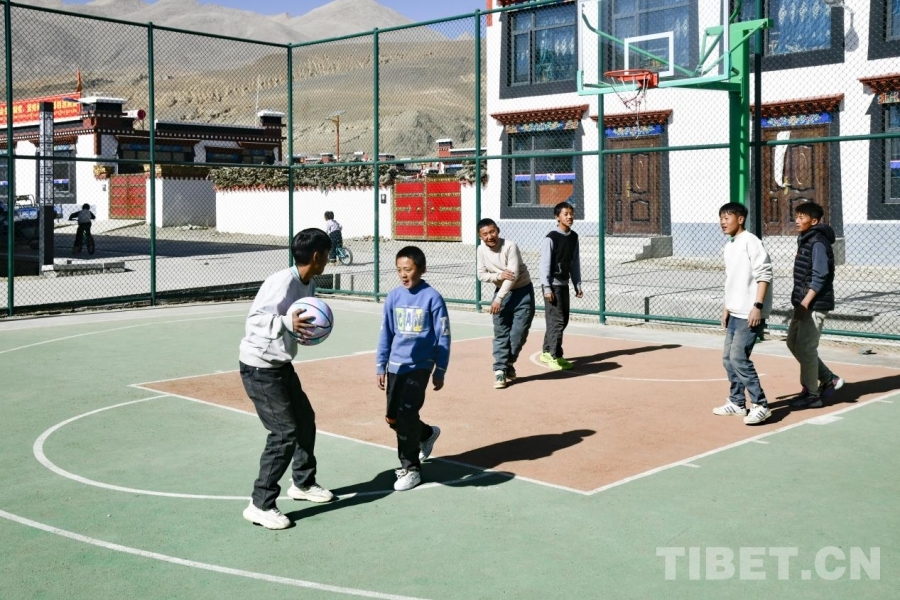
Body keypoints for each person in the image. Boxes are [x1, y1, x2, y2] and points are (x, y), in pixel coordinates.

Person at [239, 228, 335, 530]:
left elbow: (296, 322)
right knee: (283, 433)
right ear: (317, 256)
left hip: (280, 365)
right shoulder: (282, 282)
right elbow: (255, 320)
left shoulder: (308, 283)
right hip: (260, 367)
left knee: (305, 420)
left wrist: (304, 333)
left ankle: (303, 483)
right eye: (328, 255)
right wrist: (285, 323)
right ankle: (260, 504)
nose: (329, 260)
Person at [376, 246, 450, 492]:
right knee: (393, 418)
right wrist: (380, 365)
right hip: (395, 366)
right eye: (399, 270)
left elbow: (443, 336)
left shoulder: (432, 298)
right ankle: (426, 434)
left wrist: (440, 369)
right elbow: (386, 333)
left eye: (407, 269)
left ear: (422, 269)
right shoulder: (393, 297)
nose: (403, 275)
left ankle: (411, 469)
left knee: (406, 414)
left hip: (420, 365)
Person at [711, 202, 774, 425]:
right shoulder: (730, 246)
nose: (722, 222)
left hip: (750, 312)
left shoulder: (751, 242)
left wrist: (757, 306)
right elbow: (731, 280)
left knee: (739, 358)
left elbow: (764, 275)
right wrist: (727, 307)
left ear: (740, 219)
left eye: (727, 217)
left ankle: (761, 405)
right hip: (735, 311)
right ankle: (737, 403)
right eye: (721, 218)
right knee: (728, 359)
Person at [787, 202, 844, 409]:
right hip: (802, 302)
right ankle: (829, 379)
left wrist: (805, 302)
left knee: (806, 348)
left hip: (814, 303)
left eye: (802, 217)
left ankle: (812, 395)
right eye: (796, 217)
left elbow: (820, 276)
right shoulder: (806, 238)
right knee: (793, 343)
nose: (797, 221)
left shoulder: (818, 242)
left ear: (814, 221)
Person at [476, 218, 535, 389]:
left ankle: (509, 363)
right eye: (485, 234)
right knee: (501, 333)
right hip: (501, 293)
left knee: (518, 334)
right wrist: (499, 276)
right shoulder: (481, 250)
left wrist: (498, 299)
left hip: (522, 292)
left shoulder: (510, 246)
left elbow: (513, 275)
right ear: (480, 236)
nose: (489, 236)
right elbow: (481, 274)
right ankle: (500, 370)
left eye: (492, 232)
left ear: (498, 231)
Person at [539, 201, 583, 370]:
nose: (569, 217)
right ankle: (555, 356)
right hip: (552, 286)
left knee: (562, 321)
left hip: (564, 285)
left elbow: (574, 263)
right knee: (556, 322)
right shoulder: (551, 238)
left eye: (571, 214)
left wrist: (577, 284)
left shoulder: (574, 237)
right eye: (566, 214)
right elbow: (544, 265)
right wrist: (547, 288)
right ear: (557, 217)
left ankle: (546, 351)